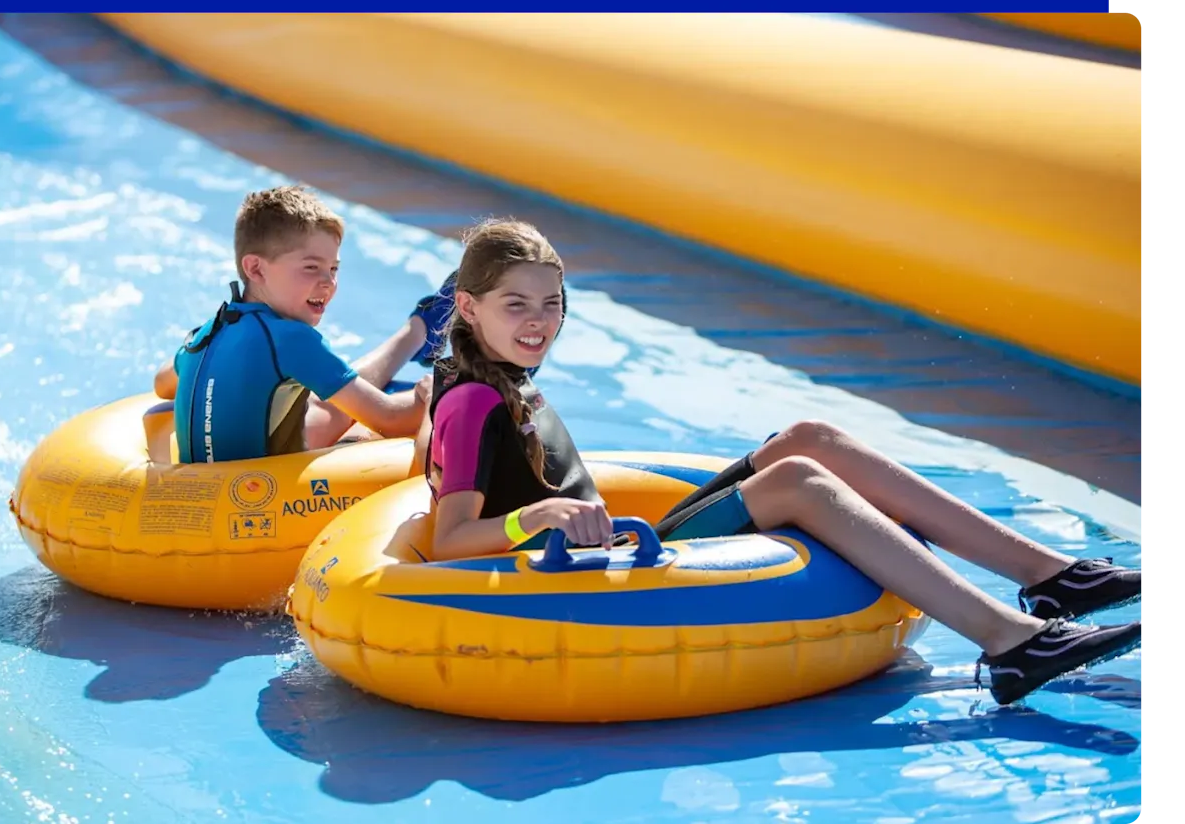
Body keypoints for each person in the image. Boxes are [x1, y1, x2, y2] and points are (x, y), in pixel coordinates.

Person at [419, 216, 1144, 707]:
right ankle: (1009, 641)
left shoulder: (497, 378)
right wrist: (537, 516)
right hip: (607, 568)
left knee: (809, 437)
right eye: (516, 304)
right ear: (470, 306)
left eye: (552, 302)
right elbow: (449, 538)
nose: (539, 321)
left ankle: (1054, 577)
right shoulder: (473, 401)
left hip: (624, 538)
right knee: (798, 480)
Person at [153, 185, 459, 462]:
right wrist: (439, 393)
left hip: (221, 479)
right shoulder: (291, 339)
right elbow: (390, 419)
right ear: (256, 269)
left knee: (327, 398)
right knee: (366, 428)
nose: (329, 283)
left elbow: (162, 383)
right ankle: (419, 334)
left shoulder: (206, 334)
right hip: (269, 494)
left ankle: (417, 333)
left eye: (334, 268)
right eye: (311, 267)